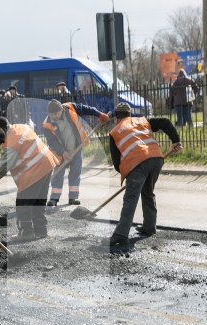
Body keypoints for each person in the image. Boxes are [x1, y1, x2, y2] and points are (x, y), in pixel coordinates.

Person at [103, 103, 182, 253]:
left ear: (116, 119)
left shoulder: (114, 132)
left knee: (131, 198)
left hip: (137, 164)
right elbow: (165, 122)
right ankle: (149, 227)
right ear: (129, 114)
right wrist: (175, 141)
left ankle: (120, 235)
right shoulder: (142, 120)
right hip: (156, 159)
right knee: (148, 192)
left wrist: (130, 176)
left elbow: (116, 162)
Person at [0, 118, 59, 242]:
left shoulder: (11, 142)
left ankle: (26, 232)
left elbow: (5, 165)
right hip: (47, 164)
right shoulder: (21, 127)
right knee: (39, 201)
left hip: (34, 170)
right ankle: (41, 231)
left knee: (23, 203)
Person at [42, 99, 109, 206]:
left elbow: (86, 109)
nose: (53, 116)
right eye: (51, 115)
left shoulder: (70, 108)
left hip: (76, 147)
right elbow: (52, 142)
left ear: (61, 110)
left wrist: (99, 114)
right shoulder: (47, 125)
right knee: (58, 174)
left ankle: (73, 198)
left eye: (56, 114)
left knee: (75, 173)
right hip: (59, 152)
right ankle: (54, 198)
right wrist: (63, 152)